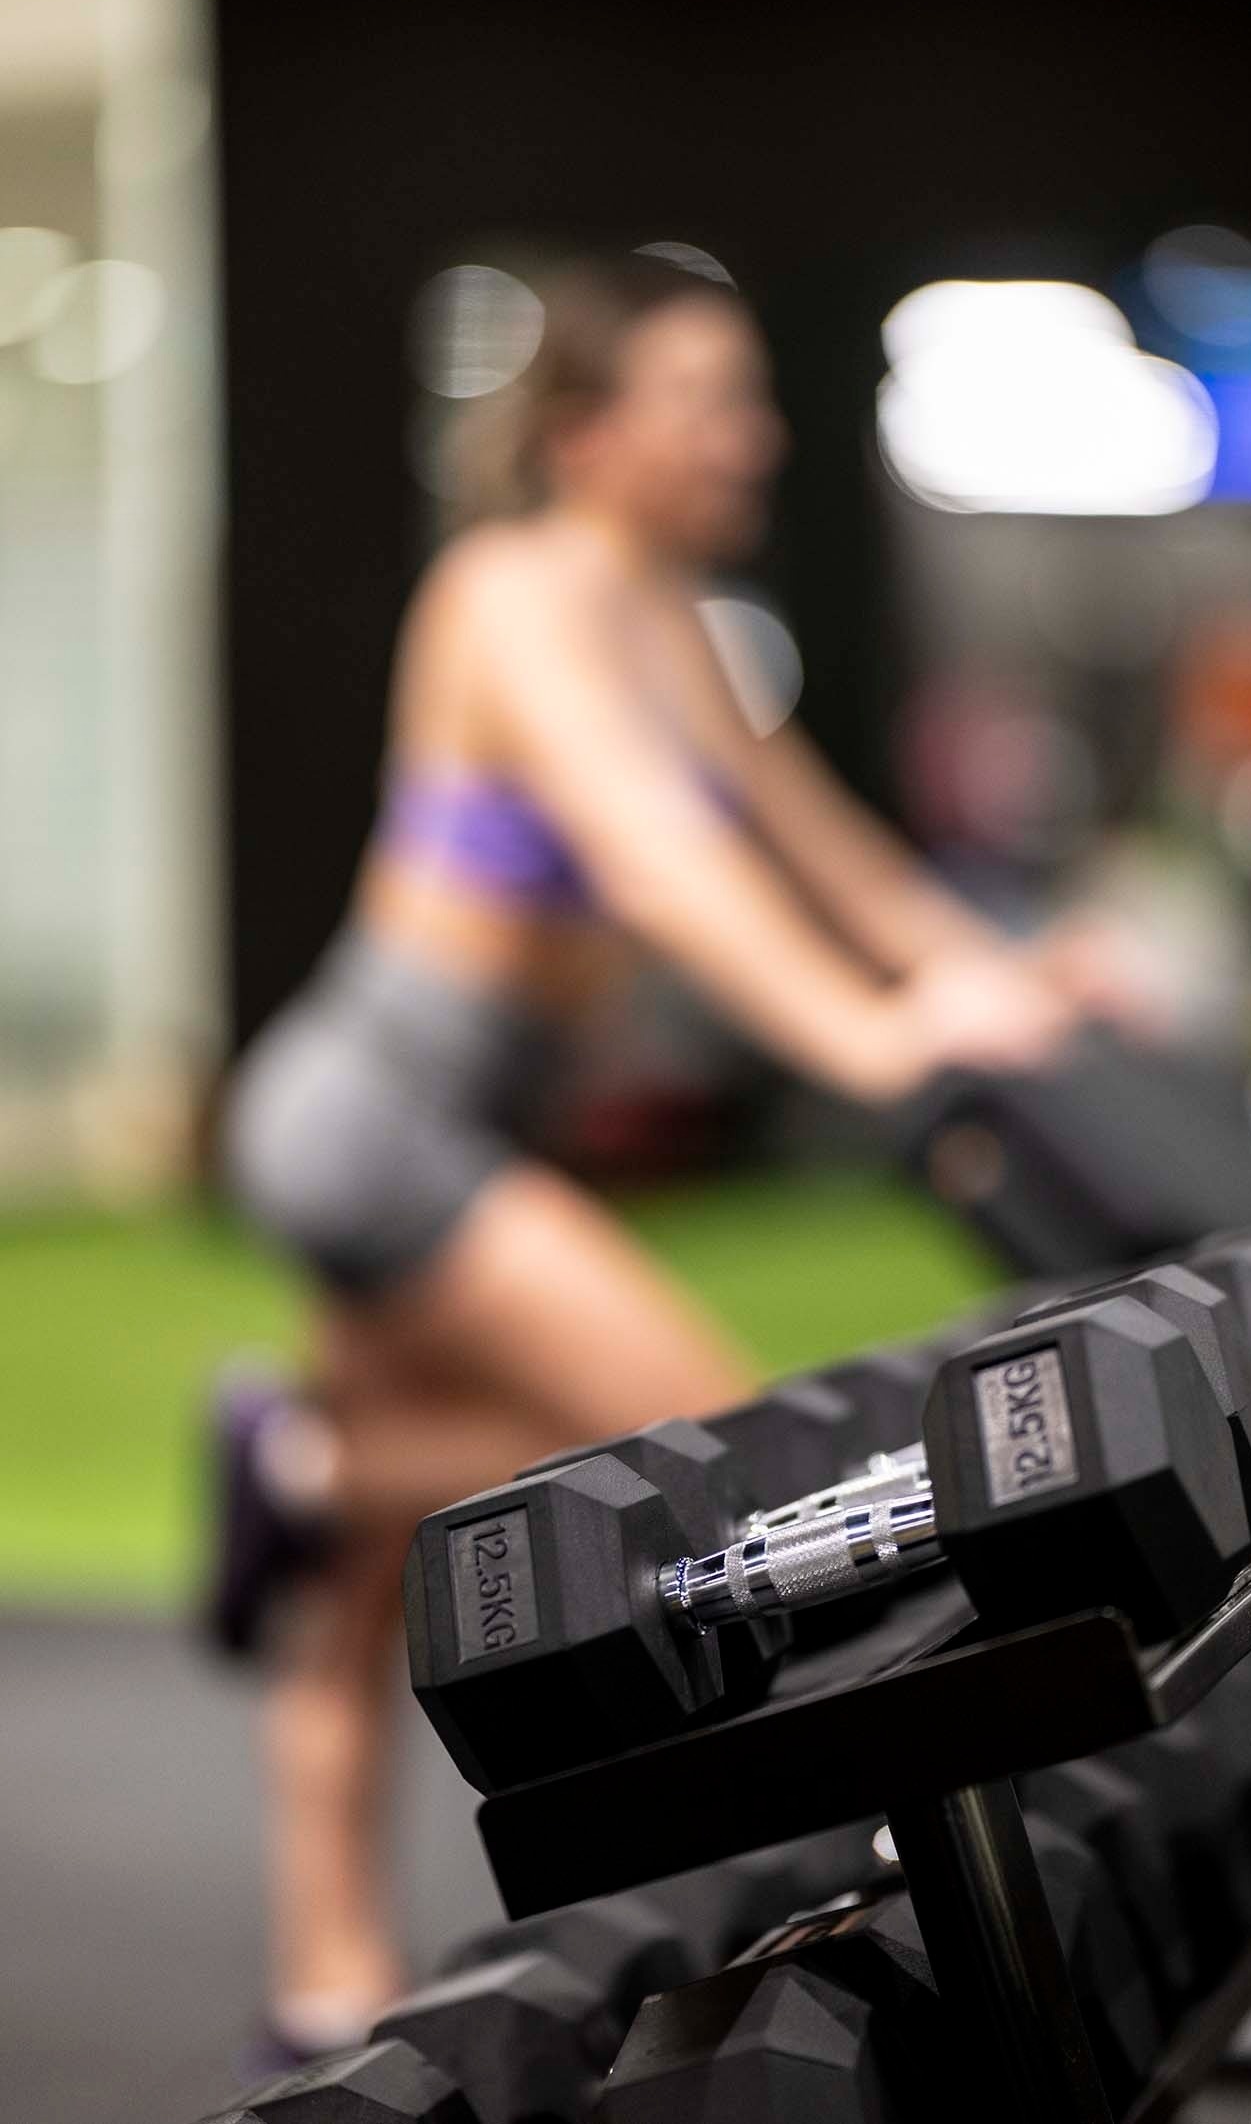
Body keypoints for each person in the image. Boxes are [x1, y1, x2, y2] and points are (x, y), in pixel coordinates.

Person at [212, 250, 1109, 2062]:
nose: (751, 435)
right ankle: (314, 1459)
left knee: (362, 1562)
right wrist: (870, 1037)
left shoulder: (672, 618)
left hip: (460, 1120)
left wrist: (991, 972)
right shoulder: (516, 591)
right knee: (707, 1481)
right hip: (377, 1115)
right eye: (708, 399)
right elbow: (652, 858)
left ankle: (319, 1971)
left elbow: (814, 844)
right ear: (588, 431)